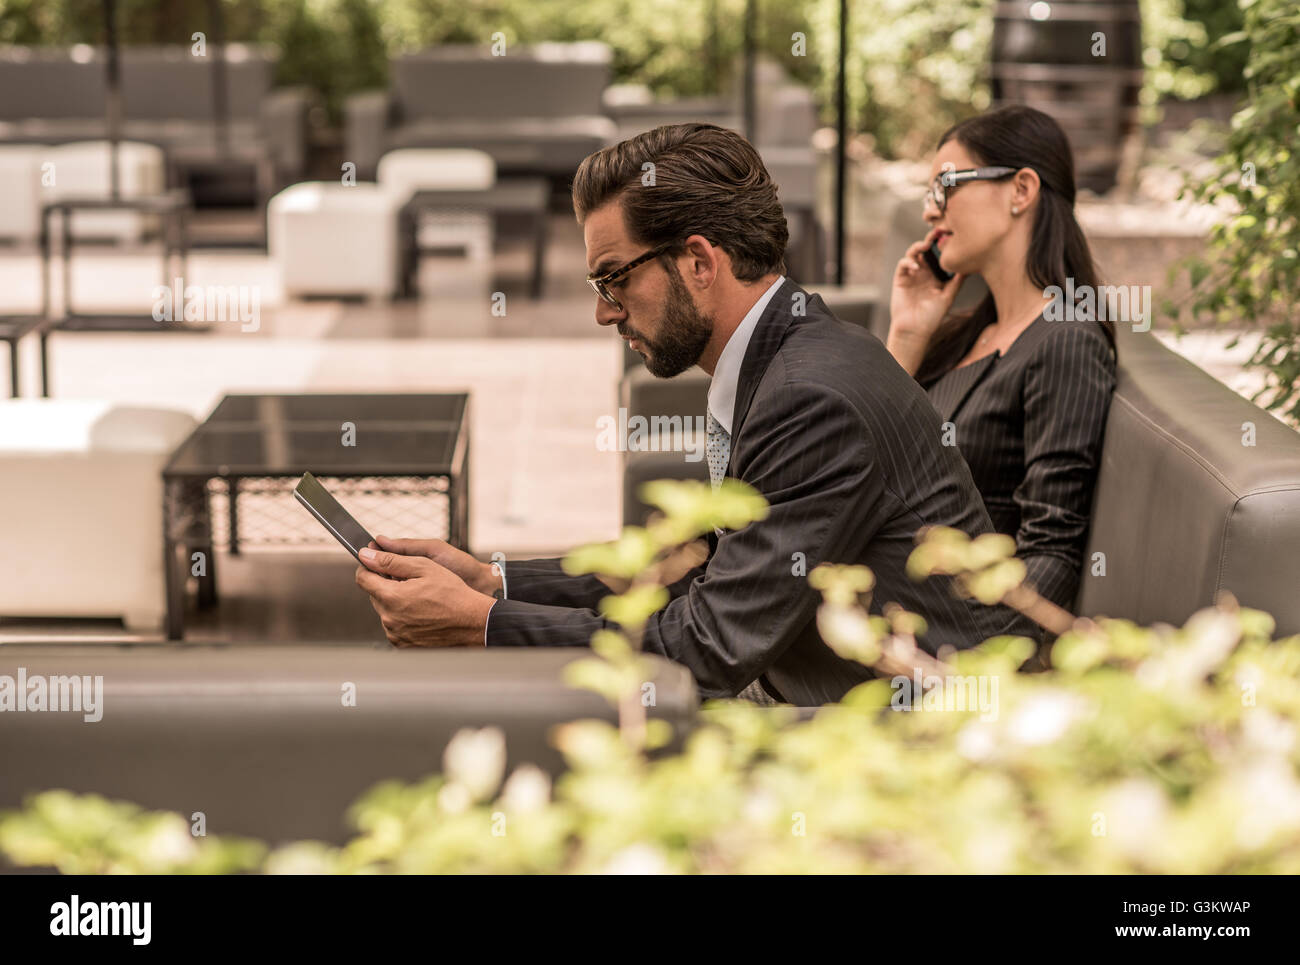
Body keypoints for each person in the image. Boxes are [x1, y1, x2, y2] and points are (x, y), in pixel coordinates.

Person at [354, 122, 1034, 706]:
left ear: (700, 261)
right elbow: (699, 561)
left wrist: (481, 626)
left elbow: (709, 647)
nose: (603, 310)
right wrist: (493, 581)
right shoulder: (790, 356)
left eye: (614, 277)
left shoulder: (809, 396)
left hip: (917, 746)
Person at [886, 105, 1117, 614]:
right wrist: (906, 333)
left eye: (946, 186)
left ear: (1021, 190)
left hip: (934, 642)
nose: (930, 211)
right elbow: (861, 461)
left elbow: (1051, 556)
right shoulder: (968, 335)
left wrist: (965, 672)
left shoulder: (1064, 341)